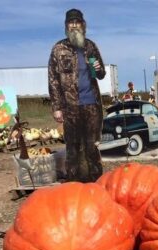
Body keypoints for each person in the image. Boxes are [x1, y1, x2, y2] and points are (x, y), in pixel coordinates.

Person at [48, 8, 105, 182]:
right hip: (70, 107)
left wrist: (99, 69)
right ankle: (74, 184)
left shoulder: (90, 46)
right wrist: (57, 107)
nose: (74, 26)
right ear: (66, 26)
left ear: (83, 25)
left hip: (91, 105)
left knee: (92, 146)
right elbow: (53, 80)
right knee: (72, 147)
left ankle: (96, 181)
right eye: (70, 23)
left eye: (77, 22)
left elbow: (101, 73)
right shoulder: (59, 49)